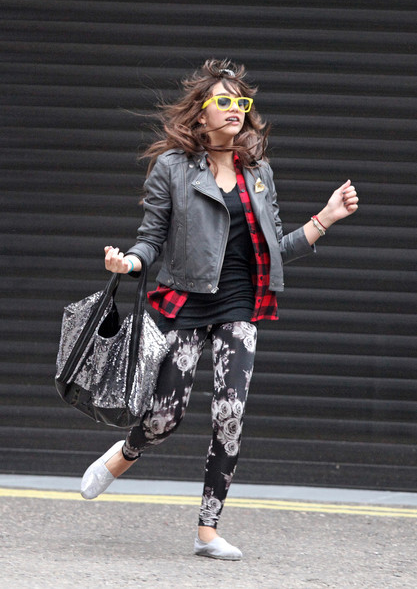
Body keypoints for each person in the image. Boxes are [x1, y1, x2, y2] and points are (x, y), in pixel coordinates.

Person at [80, 59, 359, 560]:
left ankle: (207, 530)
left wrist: (326, 217)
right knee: (165, 417)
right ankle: (126, 452)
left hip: (240, 306)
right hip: (186, 303)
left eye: (241, 102)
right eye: (224, 101)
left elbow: (276, 248)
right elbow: (151, 238)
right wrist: (129, 263)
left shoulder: (259, 173)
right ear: (201, 114)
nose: (235, 109)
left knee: (230, 414)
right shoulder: (172, 168)